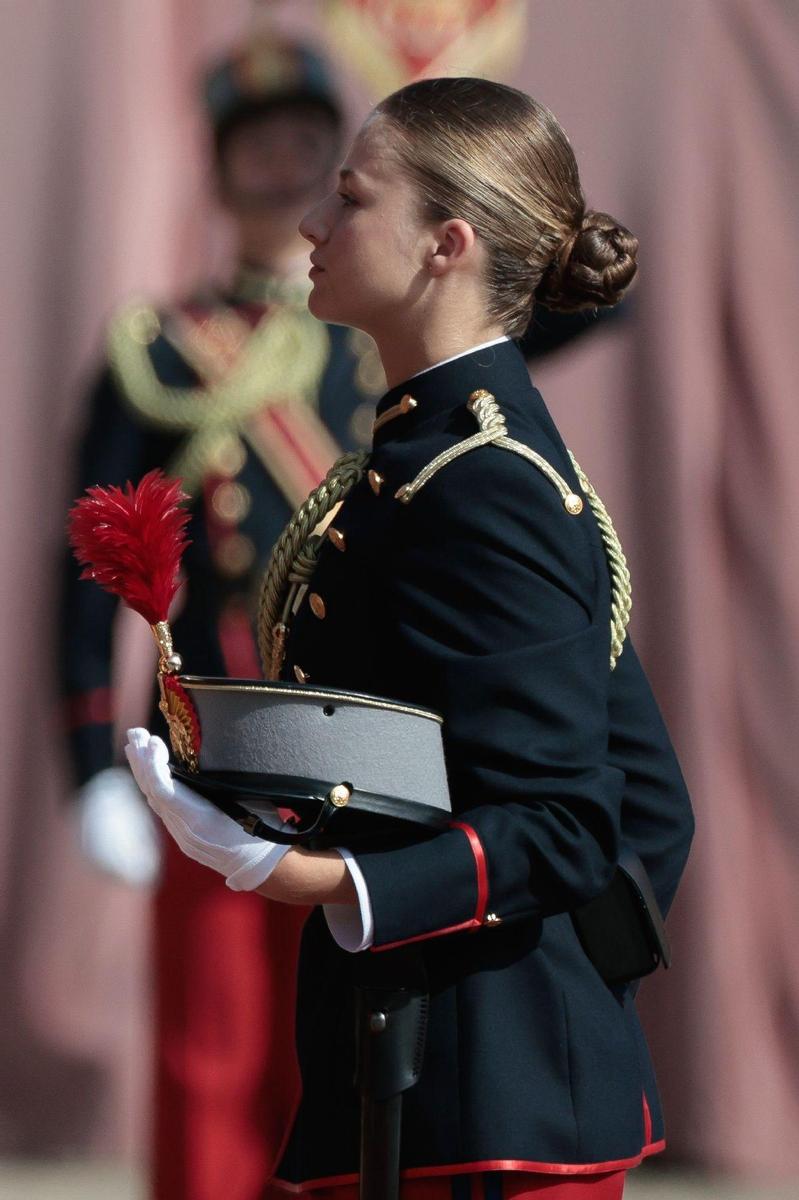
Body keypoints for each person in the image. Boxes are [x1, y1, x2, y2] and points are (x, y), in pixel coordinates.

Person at [125, 76, 694, 1199]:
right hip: (428, 1071)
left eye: (349, 197)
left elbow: (569, 821)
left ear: (446, 243)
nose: (312, 224)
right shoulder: (422, 457)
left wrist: (307, 873)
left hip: (492, 1094)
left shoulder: (485, 482)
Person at [60, 35, 388, 1200]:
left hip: (362, 736)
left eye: (306, 139)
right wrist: (90, 759)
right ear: (217, 164)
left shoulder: (377, 343)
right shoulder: (158, 353)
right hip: (217, 729)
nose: (282, 160)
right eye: (258, 143)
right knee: (214, 1037)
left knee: (340, 1038)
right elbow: (85, 564)